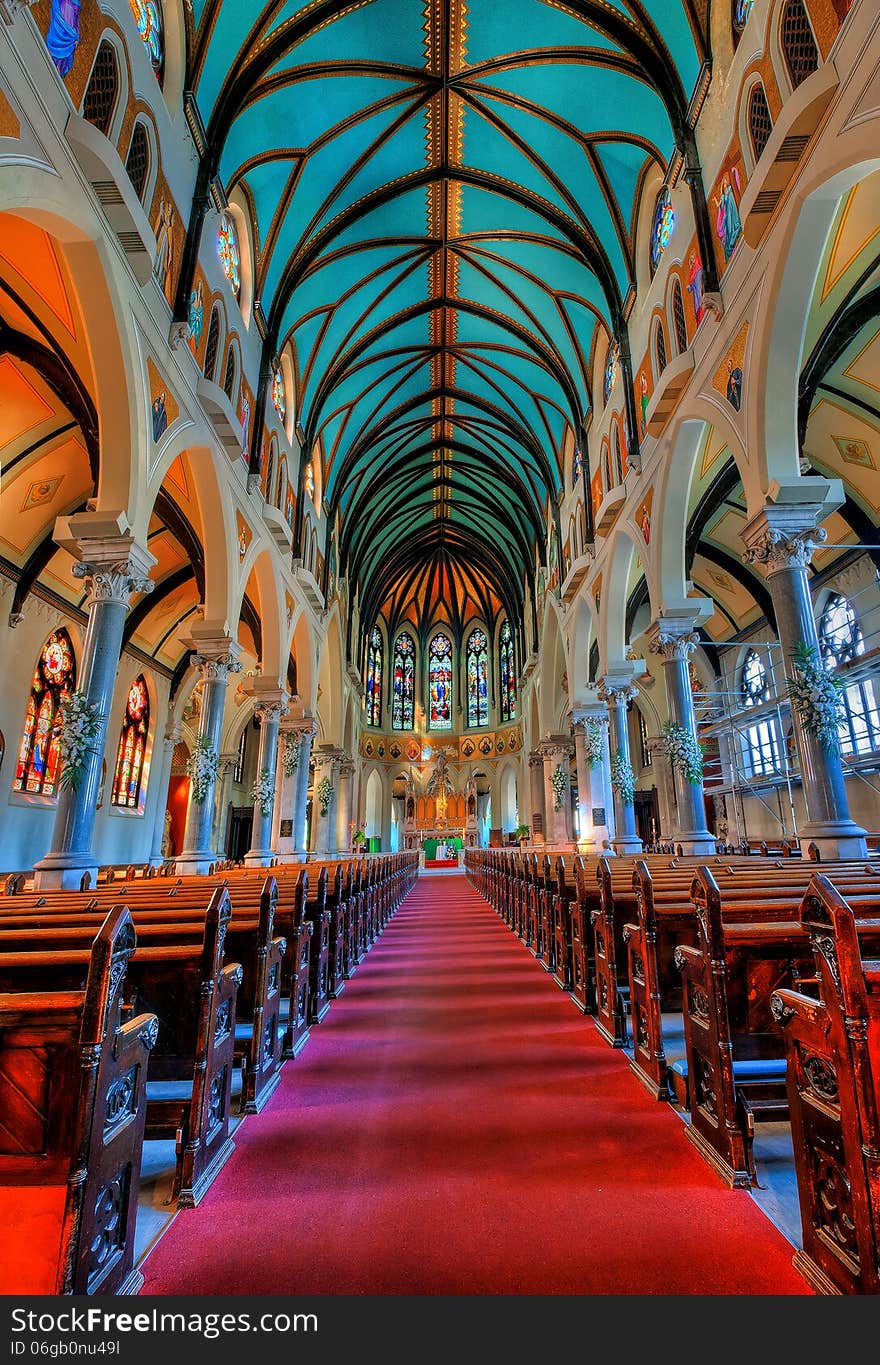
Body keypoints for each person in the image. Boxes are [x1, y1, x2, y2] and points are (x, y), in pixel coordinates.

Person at [46, 0, 82, 78]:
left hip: (70, 32)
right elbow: (55, 4)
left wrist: (76, 37)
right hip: (60, 23)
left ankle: (58, 70)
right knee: (56, 45)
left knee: (66, 55)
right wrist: (58, 18)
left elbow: (77, 21)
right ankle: (53, 63)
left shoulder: (77, 4)